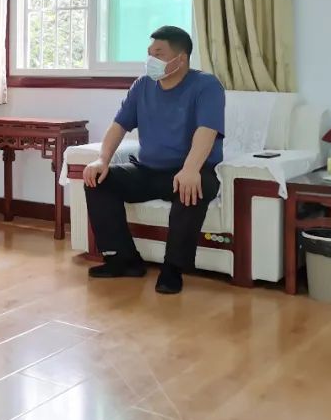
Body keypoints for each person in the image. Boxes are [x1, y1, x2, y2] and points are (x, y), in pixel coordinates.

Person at [83, 26, 225, 295]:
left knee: (192, 189)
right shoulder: (142, 85)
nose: (151, 60)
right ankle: (124, 259)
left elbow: (206, 131)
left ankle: (173, 269)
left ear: (181, 59)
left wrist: (190, 169)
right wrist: (102, 160)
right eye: (149, 54)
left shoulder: (207, 86)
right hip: (148, 170)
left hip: (190, 170)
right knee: (99, 181)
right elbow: (119, 125)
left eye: (158, 54)